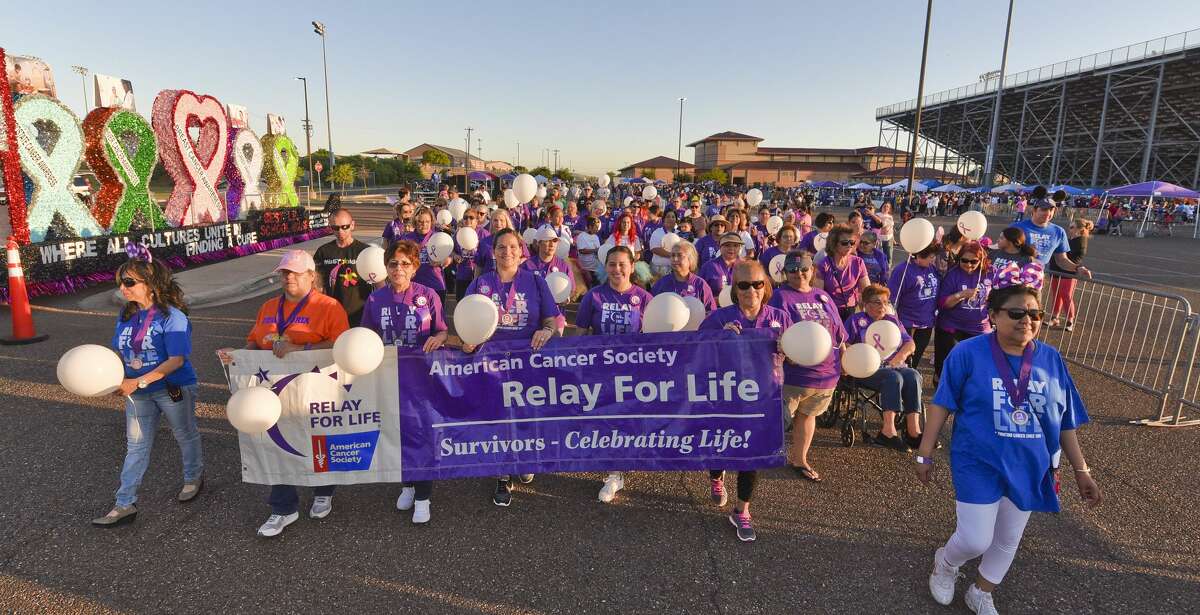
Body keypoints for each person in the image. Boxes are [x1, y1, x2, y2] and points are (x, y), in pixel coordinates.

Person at [919, 281, 1102, 615]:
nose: (1026, 320)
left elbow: (1064, 419)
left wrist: (1081, 471)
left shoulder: (1050, 358)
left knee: (1008, 538)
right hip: (978, 460)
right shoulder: (968, 353)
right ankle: (945, 563)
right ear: (993, 315)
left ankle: (981, 591)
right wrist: (924, 452)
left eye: (1035, 314)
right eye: (1016, 313)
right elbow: (942, 403)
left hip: (1030, 464)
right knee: (975, 538)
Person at [217, 250, 350, 538]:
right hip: (272, 390)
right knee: (275, 443)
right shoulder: (268, 307)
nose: (289, 277)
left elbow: (341, 345)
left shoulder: (329, 306)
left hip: (314, 388)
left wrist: (299, 349)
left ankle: (323, 491)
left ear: (311, 276)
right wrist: (237, 355)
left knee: (317, 440)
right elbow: (254, 343)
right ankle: (283, 507)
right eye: (285, 272)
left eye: (296, 272)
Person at [94, 249, 202, 527]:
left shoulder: (173, 317)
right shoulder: (126, 313)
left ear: (151, 284)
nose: (122, 288)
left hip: (172, 388)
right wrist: (112, 375)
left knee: (184, 434)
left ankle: (193, 478)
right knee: (136, 446)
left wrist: (138, 381)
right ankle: (124, 503)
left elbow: (176, 360)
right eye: (121, 282)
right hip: (137, 393)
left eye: (129, 282)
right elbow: (119, 350)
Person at [463, 229, 564, 507]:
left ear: (521, 252)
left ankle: (526, 458)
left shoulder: (535, 281)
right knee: (499, 419)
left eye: (513, 247)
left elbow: (552, 320)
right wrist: (468, 342)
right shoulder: (480, 283)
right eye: (501, 247)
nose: (507, 252)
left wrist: (546, 331)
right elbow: (465, 323)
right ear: (493, 252)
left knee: (526, 415)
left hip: (527, 363)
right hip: (492, 365)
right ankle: (503, 474)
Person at [700, 260, 792, 542]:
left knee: (753, 452)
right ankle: (716, 476)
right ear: (734, 289)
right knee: (722, 445)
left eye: (757, 284)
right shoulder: (719, 318)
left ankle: (742, 510)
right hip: (726, 395)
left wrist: (787, 350)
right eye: (743, 285)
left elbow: (798, 354)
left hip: (765, 396)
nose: (751, 290)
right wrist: (719, 339)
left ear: (766, 287)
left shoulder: (780, 317)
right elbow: (696, 352)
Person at [359, 240, 447, 524]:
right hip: (388, 378)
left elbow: (442, 331)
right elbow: (365, 337)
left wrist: (438, 339)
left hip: (421, 378)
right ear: (386, 267)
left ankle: (423, 497)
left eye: (405, 263)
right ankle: (407, 485)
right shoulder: (376, 299)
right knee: (397, 433)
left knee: (421, 434)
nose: (399, 268)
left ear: (415, 267)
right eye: (393, 263)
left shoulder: (428, 295)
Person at [575, 246, 655, 502]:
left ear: (632, 267)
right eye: (612, 264)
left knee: (625, 419)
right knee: (607, 419)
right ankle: (614, 470)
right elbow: (580, 334)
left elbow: (656, 339)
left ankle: (617, 470)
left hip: (633, 372)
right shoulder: (594, 296)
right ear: (605, 267)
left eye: (622, 264)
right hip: (600, 370)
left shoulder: (644, 298)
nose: (617, 269)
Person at [767, 252, 844, 482]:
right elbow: (773, 331)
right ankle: (757, 457)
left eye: (803, 269)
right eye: (792, 269)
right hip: (794, 375)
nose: (798, 273)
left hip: (826, 374)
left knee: (808, 416)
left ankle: (800, 460)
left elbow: (839, 333)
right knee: (777, 420)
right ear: (784, 272)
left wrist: (846, 356)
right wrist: (786, 352)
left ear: (812, 271)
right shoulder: (779, 297)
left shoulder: (823, 296)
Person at [844, 285, 925, 451]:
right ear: (865, 304)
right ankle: (887, 432)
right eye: (877, 302)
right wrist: (860, 354)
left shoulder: (892, 321)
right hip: (866, 368)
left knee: (913, 375)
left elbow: (910, 343)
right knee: (893, 378)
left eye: (885, 302)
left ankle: (913, 431)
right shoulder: (855, 321)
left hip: (893, 364)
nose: (882, 306)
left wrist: (899, 357)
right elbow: (844, 344)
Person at [934, 242, 993, 380]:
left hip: (980, 328)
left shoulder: (989, 273)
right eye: (964, 260)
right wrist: (960, 295)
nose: (969, 265)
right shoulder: (952, 274)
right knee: (946, 368)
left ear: (981, 260)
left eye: (974, 261)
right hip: (952, 327)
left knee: (975, 369)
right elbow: (943, 303)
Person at [1009, 188, 1092, 278]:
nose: (1048, 213)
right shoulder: (1017, 227)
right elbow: (1002, 250)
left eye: (1051, 210)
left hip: (1035, 281)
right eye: (1043, 209)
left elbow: (1061, 260)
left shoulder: (1058, 232)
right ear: (1034, 210)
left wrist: (1077, 268)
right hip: (1011, 277)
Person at [313, 208, 372, 326]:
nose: (340, 231)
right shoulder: (323, 252)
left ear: (352, 225)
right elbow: (315, 282)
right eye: (335, 228)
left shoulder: (365, 251)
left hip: (360, 313)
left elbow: (377, 282)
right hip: (332, 313)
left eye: (345, 227)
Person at [888, 243, 940, 370]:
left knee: (915, 359)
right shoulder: (902, 270)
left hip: (927, 323)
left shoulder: (932, 268)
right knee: (904, 360)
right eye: (930, 257)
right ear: (919, 256)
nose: (933, 260)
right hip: (907, 323)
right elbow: (891, 298)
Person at [813, 224, 869, 320]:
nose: (849, 246)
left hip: (850, 310)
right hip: (829, 310)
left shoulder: (858, 262)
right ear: (834, 244)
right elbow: (818, 294)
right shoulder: (823, 264)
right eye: (844, 243)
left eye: (852, 242)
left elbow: (867, 290)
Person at [401, 207, 453, 306]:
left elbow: (450, 258)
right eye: (420, 222)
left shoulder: (439, 237)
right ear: (415, 222)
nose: (424, 224)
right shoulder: (407, 239)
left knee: (436, 314)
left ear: (432, 222)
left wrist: (442, 261)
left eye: (427, 222)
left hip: (435, 284)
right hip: (413, 285)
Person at [1048, 218, 1093, 331]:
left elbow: (1066, 255)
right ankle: (1055, 317)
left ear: (1080, 229)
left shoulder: (1080, 240)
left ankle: (1070, 320)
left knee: (1066, 295)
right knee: (1056, 294)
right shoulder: (1070, 240)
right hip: (1056, 269)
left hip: (1068, 272)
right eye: (1069, 227)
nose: (1069, 229)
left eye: (1072, 227)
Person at [651, 240, 717, 310]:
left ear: (690, 259)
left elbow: (711, 312)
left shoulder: (700, 285)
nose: (675, 259)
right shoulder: (662, 283)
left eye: (680, 255)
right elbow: (651, 308)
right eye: (672, 255)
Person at [522, 226, 574, 297]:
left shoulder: (564, 266)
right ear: (539, 243)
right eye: (547, 241)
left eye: (555, 241)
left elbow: (571, 289)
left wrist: (566, 298)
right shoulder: (526, 266)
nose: (552, 245)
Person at [699, 232, 744, 299]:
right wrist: (714, 300)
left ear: (740, 248)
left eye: (735, 245)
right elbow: (699, 292)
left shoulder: (745, 267)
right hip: (714, 305)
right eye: (727, 245)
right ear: (720, 247)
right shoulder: (708, 267)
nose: (731, 248)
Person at [648, 210, 681, 277]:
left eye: (673, 217)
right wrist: (672, 255)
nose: (670, 219)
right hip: (659, 269)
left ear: (676, 220)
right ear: (663, 219)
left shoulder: (679, 233)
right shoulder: (657, 232)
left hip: (675, 269)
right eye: (668, 216)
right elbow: (654, 249)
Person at [575, 216, 603, 286]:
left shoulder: (596, 237)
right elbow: (581, 251)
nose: (597, 229)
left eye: (598, 227)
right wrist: (595, 250)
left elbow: (598, 249)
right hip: (586, 268)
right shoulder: (581, 236)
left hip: (596, 268)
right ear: (590, 227)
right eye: (596, 227)